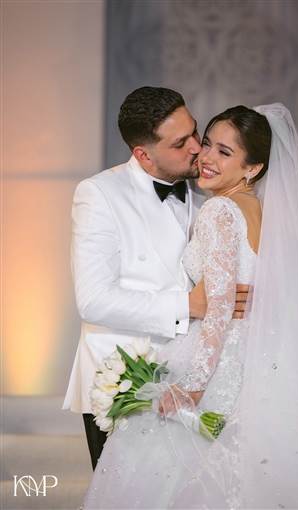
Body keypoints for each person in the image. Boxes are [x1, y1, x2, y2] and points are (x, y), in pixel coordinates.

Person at [83, 104, 298, 509]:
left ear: (252, 168)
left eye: (224, 152)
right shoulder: (264, 212)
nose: (206, 157)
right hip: (263, 354)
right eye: (206, 144)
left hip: (220, 359)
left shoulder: (219, 210)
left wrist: (193, 386)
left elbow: (219, 309)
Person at [62, 87, 249, 470]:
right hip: (123, 379)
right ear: (143, 154)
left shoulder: (209, 189)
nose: (198, 149)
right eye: (180, 143)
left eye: (194, 131)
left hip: (192, 372)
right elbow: (94, 300)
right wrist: (188, 304)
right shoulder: (99, 194)